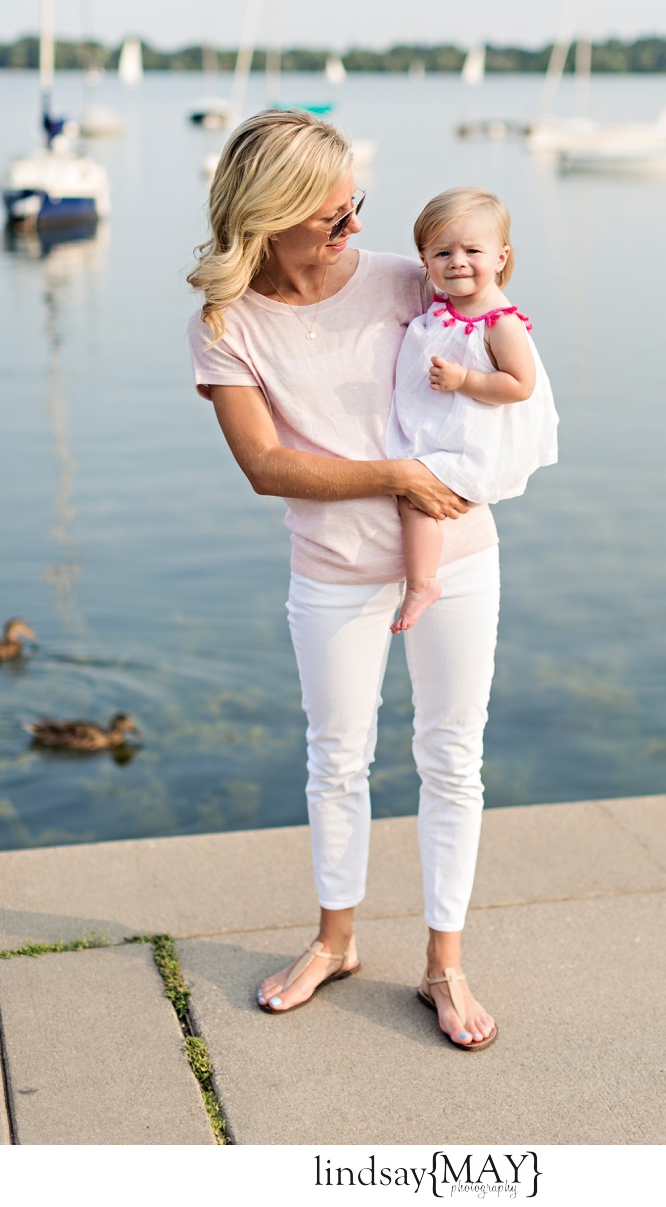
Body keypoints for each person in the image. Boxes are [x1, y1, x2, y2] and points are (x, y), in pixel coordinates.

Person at [186, 109, 510, 1049]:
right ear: (271, 214)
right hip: (330, 570)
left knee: (452, 756)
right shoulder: (225, 323)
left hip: (458, 555)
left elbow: (506, 367)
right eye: (333, 214)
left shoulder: (410, 283)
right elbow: (264, 464)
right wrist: (395, 475)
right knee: (336, 758)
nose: (354, 227)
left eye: (354, 204)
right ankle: (336, 943)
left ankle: (445, 966)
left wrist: (477, 452)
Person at [386, 187, 558, 635]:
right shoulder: (447, 306)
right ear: (425, 261)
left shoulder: (500, 323)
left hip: (478, 442)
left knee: (415, 499)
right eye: (443, 252)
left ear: (501, 257)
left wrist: (466, 380)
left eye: (472, 250)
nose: (457, 261)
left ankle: (422, 583)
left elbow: (520, 385)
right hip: (451, 428)